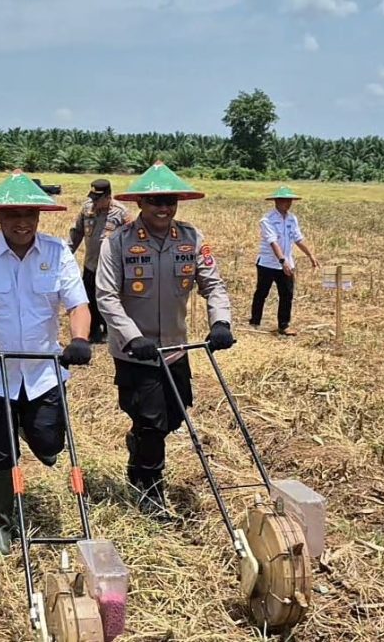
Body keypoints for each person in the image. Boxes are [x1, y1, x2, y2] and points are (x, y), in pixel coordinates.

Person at [0, 171, 92, 554]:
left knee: (49, 442)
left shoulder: (57, 252)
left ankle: (33, 431)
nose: (21, 221)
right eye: (12, 213)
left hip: (43, 370)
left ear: (39, 215)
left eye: (29, 213)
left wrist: (78, 339)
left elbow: (78, 303)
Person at [96, 162, 234, 515]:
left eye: (169, 201)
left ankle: (138, 444)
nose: (163, 208)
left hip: (176, 348)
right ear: (141, 203)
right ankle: (150, 489)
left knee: (174, 416)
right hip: (136, 352)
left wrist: (221, 322)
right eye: (156, 201)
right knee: (153, 422)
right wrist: (131, 337)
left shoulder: (191, 239)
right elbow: (107, 297)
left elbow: (213, 284)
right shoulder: (118, 242)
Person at [249, 186, 320, 336]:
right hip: (267, 263)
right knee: (262, 292)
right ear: (276, 201)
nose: (287, 203)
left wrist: (310, 255)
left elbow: (298, 238)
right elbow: (273, 242)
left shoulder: (292, 219)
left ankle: (284, 325)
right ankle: (255, 321)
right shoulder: (267, 220)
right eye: (284, 200)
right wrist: (282, 261)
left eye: (289, 200)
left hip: (287, 263)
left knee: (287, 294)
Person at [68, 179, 131, 343]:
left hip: (111, 267)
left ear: (108, 196)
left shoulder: (121, 213)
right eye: (92, 198)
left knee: (109, 299)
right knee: (88, 299)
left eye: (98, 199)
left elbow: (132, 241)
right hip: (91, 264)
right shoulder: (87, 209)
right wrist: (66, 254)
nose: (94, 202)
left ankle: (111, 331)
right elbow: (76, 233)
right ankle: (93, 331)